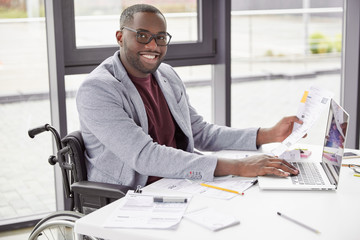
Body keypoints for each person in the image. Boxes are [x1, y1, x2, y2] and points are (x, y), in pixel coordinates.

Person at [76, 4, 300, 189]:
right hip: (131, 194)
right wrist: (238, 166)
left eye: (160, 37)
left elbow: (200, 132)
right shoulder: (97, 89)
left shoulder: (166, 75)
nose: (153, 45)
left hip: (180, 182)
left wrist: (267, 134)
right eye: (142, 36)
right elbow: (145, 155)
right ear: (120, 37)